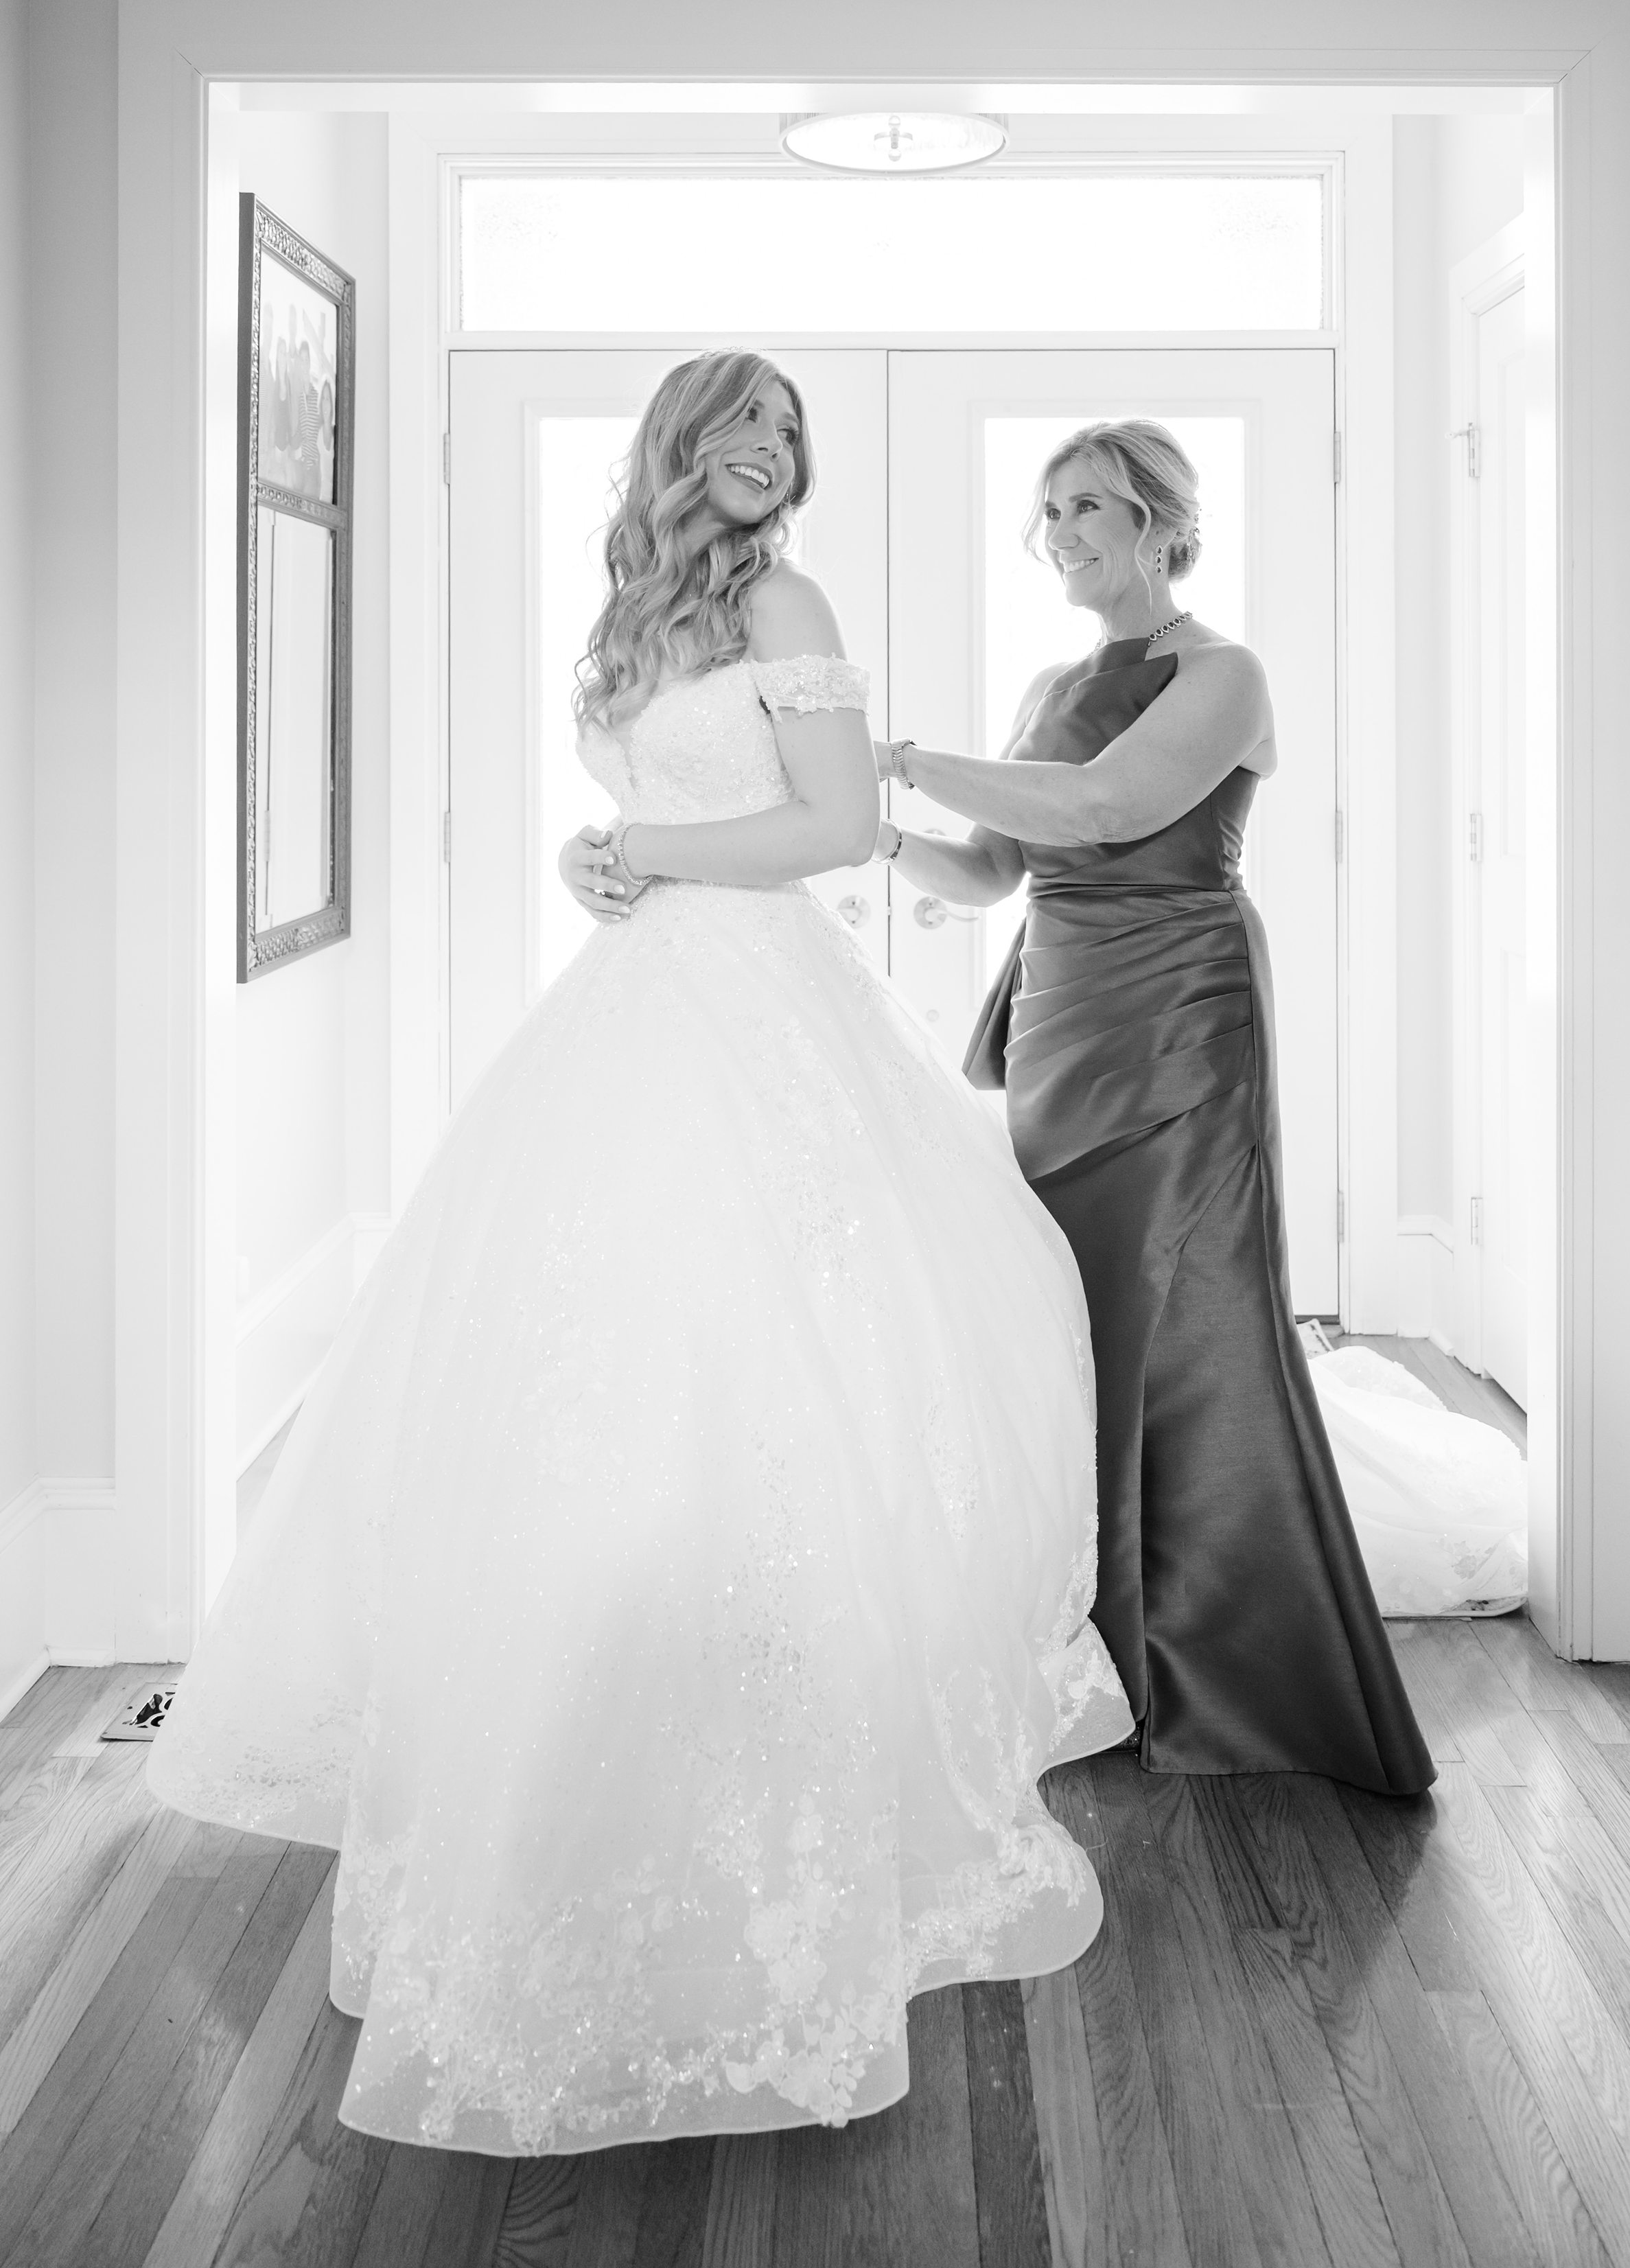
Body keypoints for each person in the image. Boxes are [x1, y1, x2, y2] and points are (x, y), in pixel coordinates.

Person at [149, 351, 1132, 2156]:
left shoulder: (795, 597)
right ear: (681, 449)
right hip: (639, 994)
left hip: (763, 999)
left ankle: (783, 1714)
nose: (765, 459)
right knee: (595, 1366)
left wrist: (637, 847)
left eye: (788, 437)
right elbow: (652, 816)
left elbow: (836, 831)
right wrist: (594, 861)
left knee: (782, 1362)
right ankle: (599, 1702)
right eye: (737, 431)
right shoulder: (630, 608)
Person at [877, 417, 1435, 1796]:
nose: (1064, 534)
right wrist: (877, 834)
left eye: (1094, 509)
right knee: (1065, 1316)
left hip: (1180, 1015)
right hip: (1063, 1011)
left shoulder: (1224, 672)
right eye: (1051, 511)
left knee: (1181, 1309)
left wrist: (898, 758)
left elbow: (1102, 806)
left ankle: (1205, 1651)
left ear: (1163, 524)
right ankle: (1075, 1622)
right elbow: (993, 870)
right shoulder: (1051, 679)